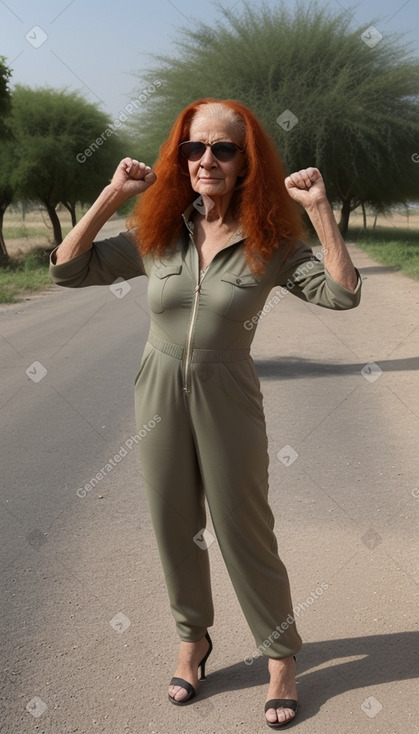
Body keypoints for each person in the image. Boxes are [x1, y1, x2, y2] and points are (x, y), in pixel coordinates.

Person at [50, 98, 361, 729]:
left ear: (247, 161)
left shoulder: (270, 241)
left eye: (223, 148)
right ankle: (193, 640)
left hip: (228, 395)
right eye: (194, 148)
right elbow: (66, 269)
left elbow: (342, 294)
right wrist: (114, 194)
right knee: (173, 524)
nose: (206, 160)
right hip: (156, 390)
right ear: (180, 157)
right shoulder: (159, 232)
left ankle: (281, 659)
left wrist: (321, 212)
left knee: (245, 531)